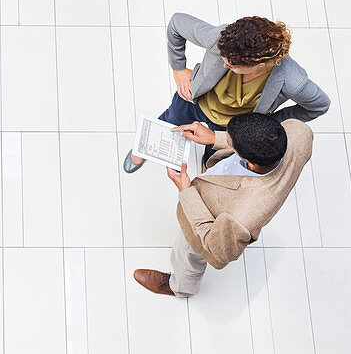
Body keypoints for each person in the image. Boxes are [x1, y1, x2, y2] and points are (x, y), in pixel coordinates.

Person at [133, 113, 313, 298]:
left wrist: (185, 190)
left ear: (250, 163)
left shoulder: (243, 218)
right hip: (223, 185)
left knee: (188, 256)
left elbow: (215, 247)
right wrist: (213, 137)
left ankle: (180, 287)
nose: (227, 140)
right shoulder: (299, 132)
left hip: (201, 227)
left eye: (231, 142)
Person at [124, 13, 329, 173]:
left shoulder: (294, 80)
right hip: (194, 98)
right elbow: (177, 23)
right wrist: (178, 69)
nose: (223, 63)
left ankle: (207, 168)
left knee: (215, 154)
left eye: (230, 64)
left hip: (233, 124)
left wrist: (274, 120)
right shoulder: (220, 38)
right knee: (170, 120)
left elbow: (319, 105)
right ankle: (146, 148)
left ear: (258, 65)